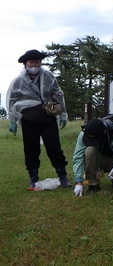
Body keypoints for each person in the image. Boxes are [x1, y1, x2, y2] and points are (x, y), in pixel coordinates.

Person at [6, 49, 71, 190]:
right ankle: (33, 178)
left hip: (48, 119)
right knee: (31, 150)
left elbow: (57, 94)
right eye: (31, 62)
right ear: (25, 64)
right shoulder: (18, 81)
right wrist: (12, 119)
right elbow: (12, 100)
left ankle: (62, 176)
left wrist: (63, 113)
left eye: (37, 62)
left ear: (41, 63)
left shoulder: (48, 76)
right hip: (29, 120)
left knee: (54, 148)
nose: (34, 65)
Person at [73, 117, 113, 196]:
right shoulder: (84, 134)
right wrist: (78, 183)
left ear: (104, 132)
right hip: (100, 161)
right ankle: (93, 184)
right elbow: (78, 157)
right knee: (89, 151)